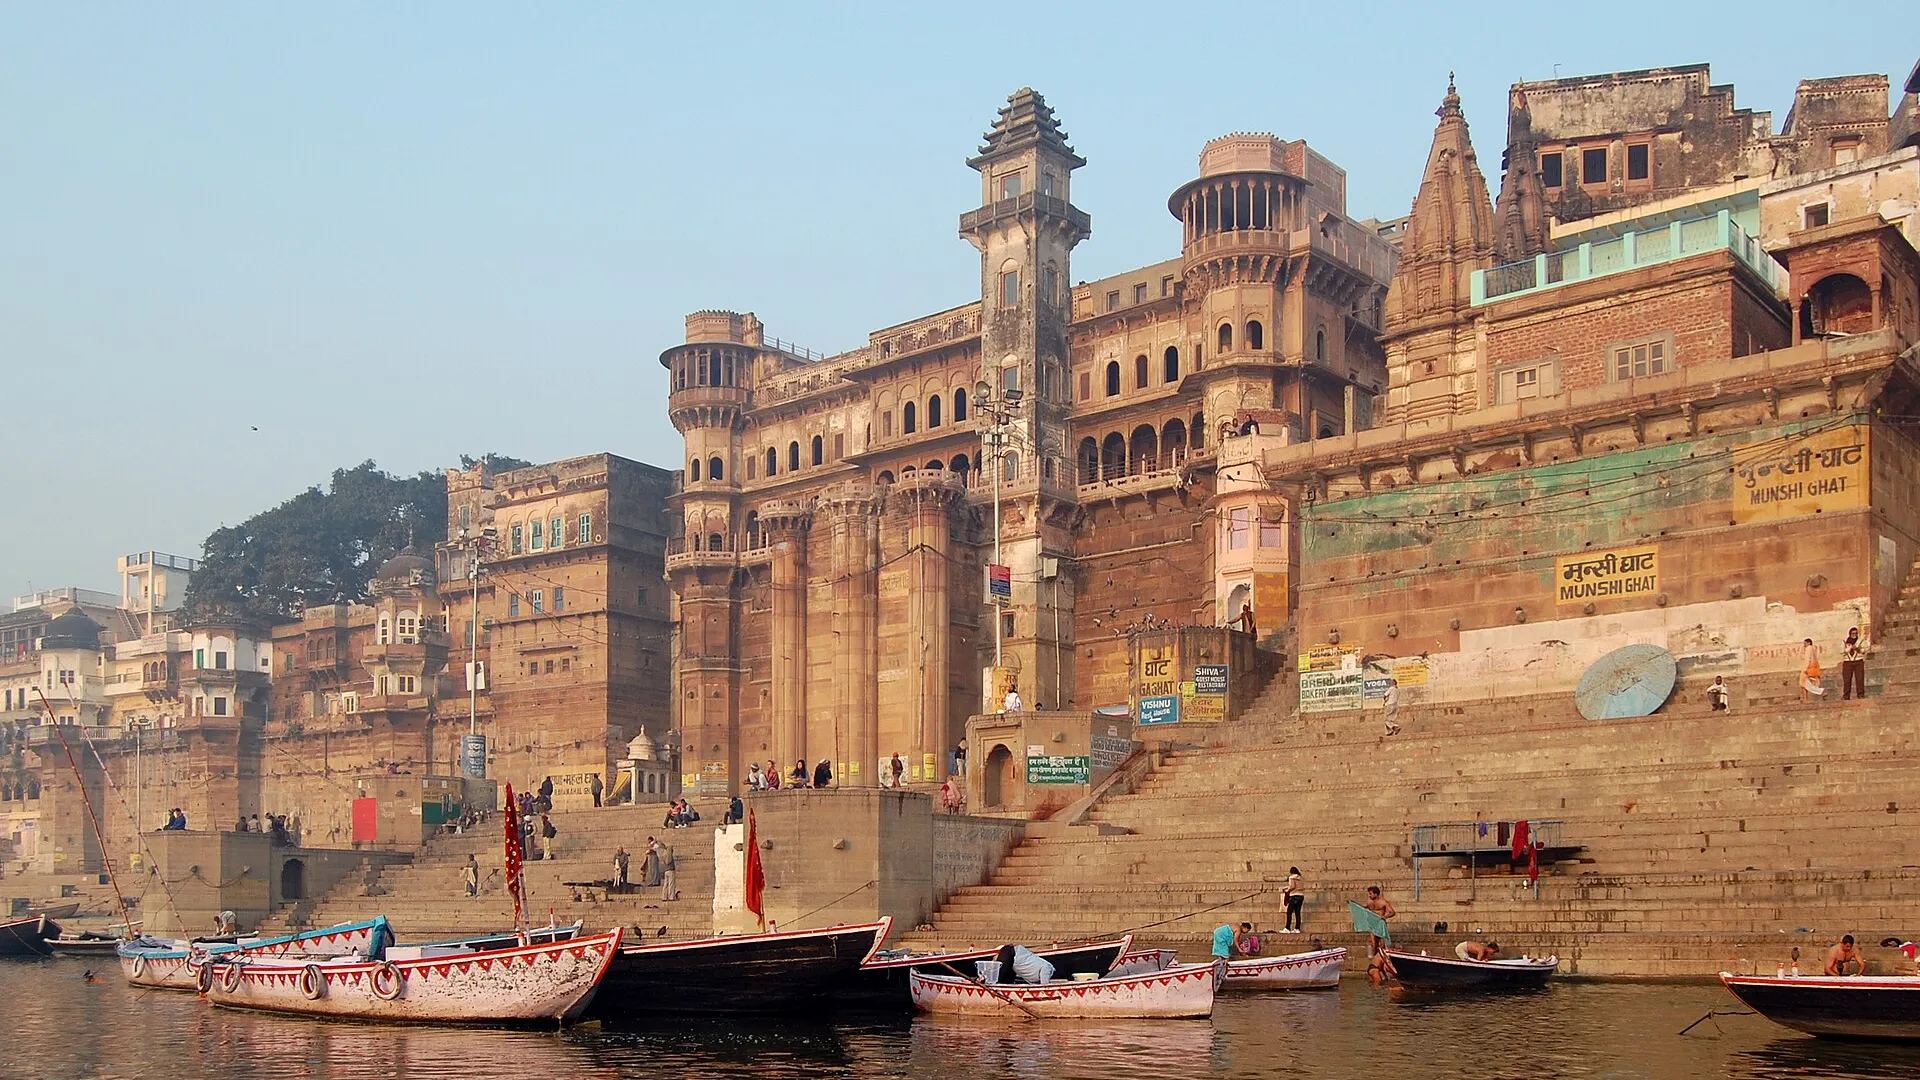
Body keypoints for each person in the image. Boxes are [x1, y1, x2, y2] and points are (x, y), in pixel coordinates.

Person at [1362, 885, 1397, 985]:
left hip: (1381, 924)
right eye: (1369, 893)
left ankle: (1383, 964)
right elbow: (1362, 908)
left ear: (1376, 894)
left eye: (1371, 893)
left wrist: (1384, 916)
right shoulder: (1369, 902)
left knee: (1382, 945)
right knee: (1374, 945)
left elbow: (1392, 912)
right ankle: (1376, 963)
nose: (1369, 895)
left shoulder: (1383, 902)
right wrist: (1353, 905)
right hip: (1373, 925)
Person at [1842, 628, 1866, 700]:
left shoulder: (1860, 641)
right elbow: (1842, 652)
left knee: (1860, 678)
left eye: (1855, 633)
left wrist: (1858, 649)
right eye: (1853, 633)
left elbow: (1864, 650)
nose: (1854, 635)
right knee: (1847, 679)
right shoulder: (1844, 642)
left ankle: (1860, 694)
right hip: (1847, 662)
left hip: (1858, 661)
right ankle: (1846, 695)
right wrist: (1849, 649)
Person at [1283, 866, 1305, 933]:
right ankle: (1297, 928)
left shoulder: (1291, 878)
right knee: (1297, 913)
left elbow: (1292, 886)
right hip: (1301, 896)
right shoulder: (1300, 878)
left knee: (1289, 912)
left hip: (1294, 896)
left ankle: (1287, 927)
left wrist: (1287, 890)